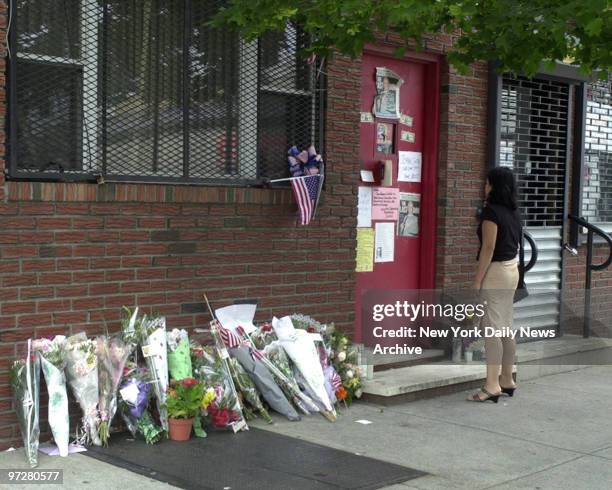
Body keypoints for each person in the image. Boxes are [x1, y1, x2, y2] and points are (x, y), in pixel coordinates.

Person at [468, 167, 522, 403]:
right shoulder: (513, 212)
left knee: (491, 328)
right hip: (512, 270)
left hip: (496, 273)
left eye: (487, 182)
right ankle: (507, 379)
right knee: (505, 327)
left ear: (494, 186)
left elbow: (488, 249)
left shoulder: (491, 213)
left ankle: (491, 386)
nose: (484, 186)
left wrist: (478, 280)